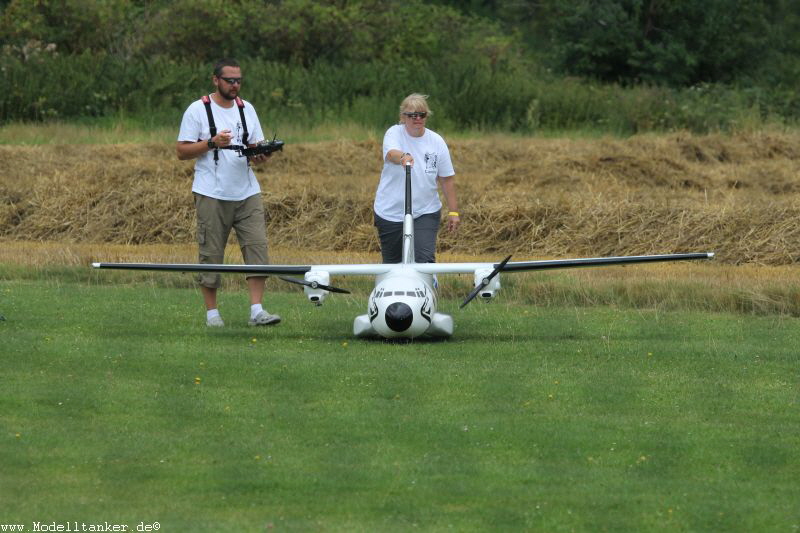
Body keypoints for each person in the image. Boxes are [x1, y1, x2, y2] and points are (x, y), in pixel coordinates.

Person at [177, 58, 280, 327]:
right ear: (216, 80)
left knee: (257, 249)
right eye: (229, 80)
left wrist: (260, 154)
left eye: (238, 81)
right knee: (211, 253)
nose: (235, 85)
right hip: (211, 192)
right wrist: (211, 143)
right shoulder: (197, 110)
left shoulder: (247, 109)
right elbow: (181, 151)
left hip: (247, 191)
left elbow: (253, 145)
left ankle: (257, 310)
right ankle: (212, 314)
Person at [373, 93, 459, 264]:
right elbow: (391, 154)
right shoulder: (394, 133)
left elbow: (446, 179)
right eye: (412, 115)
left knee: (424, 259)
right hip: (391, 210)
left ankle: (429, 283)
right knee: (393, 262)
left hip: (425, 210)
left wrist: (453, 212)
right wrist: (403, 156)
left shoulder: (436, 141)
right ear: (403, 117)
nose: (417, 118)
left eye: (422, 114)